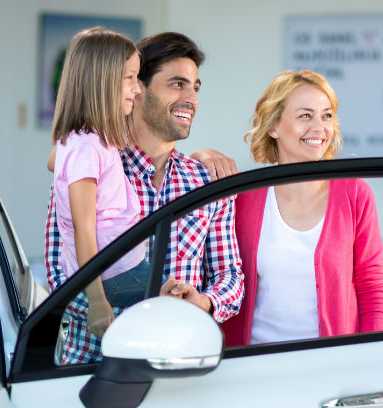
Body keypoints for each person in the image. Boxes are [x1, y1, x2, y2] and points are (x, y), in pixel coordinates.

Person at [45, 32, 243, 365]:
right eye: (177, 84)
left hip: (180, 369)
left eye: (195, 87)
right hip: (93, 367)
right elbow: (58, 276)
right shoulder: (92, 166)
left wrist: (204, 302)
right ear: (138, 89)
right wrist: (144, 309)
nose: (191, 98)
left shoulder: (207, 181)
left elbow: (230, 275)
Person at [219, 70, 383, 347]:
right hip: (252, 364)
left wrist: (372, 354)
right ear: (273, 126)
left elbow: (372, 287)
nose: (319, 127)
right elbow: (221, 277)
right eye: (305, 116)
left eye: (327, 115)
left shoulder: (355, 193)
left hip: (329, 366)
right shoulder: (243, 197)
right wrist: (202, 157)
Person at [49, 27, 145, 338]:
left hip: (123, 265)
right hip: (111, 276)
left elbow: (53, 161)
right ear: (102, 82)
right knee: (178, 304)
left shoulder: (84, 143)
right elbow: (83, 228)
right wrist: (97, 302)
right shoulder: (86, 148)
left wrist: (68, 165)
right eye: (129, 78)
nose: (138, 89)